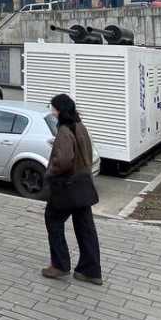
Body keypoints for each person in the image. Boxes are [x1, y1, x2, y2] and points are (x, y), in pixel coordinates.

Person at [41, 93, 103, 285]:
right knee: (85, 228)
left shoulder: (64, 130)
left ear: (59, 110)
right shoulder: (79, 125)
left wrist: (51, 172)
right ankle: (91, 271)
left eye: (53, 108)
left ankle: (60, 265)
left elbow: (64, 160)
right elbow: (84, 152)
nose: (52, 111)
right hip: (83, 185)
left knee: (53, 220)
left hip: (67, 187)